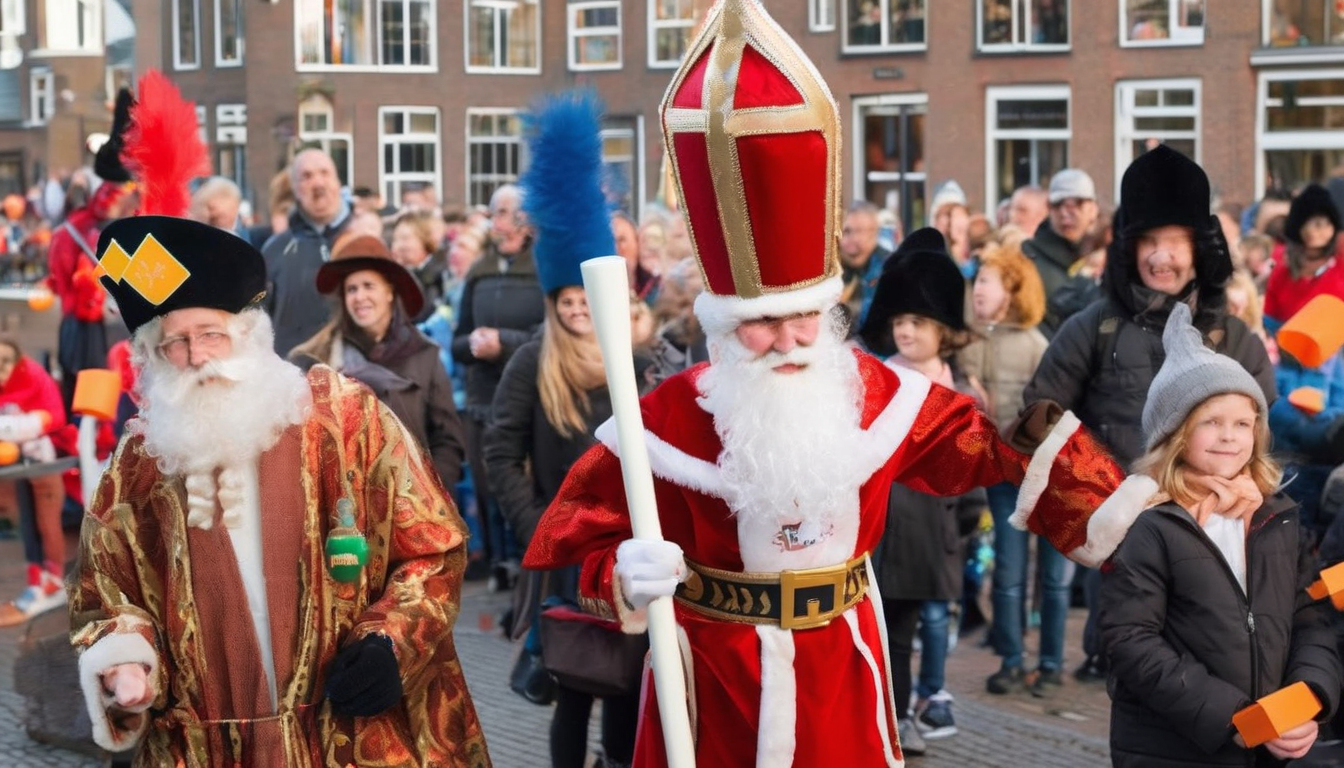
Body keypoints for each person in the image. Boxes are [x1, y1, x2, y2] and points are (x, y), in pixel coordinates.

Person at [521, 5, 1137, 765]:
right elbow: (578, 536)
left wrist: (1122, 513)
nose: (784, 338)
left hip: (843, 664)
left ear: (828, 308)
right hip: (713, 675)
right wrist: (617, 572)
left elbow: (991, 453)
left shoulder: (876, 394)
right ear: (721, 326)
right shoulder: (666, 419)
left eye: (802, 317)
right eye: (760, 322)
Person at [70, 88, 489, 760]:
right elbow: (108, 592)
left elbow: (432, 547)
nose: (196, 358)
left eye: (209, 334)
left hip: (345, 738)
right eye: (171, 345)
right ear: (148, 359)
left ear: (248, 332)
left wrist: (391, 639)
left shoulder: (345, 418)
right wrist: (126, 660)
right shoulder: (139, 465)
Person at [1024, 144, 1277, 685]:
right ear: (1129, 247)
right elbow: (1038, 416)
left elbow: (1266, 437)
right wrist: (1093, 491)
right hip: (1125, 537)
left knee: (1215, 665)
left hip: (1216, 535)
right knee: (1135, 667)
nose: (1161, 257)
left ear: (1199, 249)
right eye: (1149, 242)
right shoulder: (1093, 326)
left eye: (1176, 243)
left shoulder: (1233, 336)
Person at [1099, 303, 1342, 768]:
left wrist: (1308, 696)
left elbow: (1309, 619)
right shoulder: (1150, 523)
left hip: (1267, 747)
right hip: (1172, 748)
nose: (1229, 437)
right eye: (1210, 422)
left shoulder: (1279, 518)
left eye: (1242, 423)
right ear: (1174, 434)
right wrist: (1236, 718)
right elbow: (1131, 640)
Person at [485, 90, 643, 767]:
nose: (580, 310)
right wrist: (539, 528)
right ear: (555, 301)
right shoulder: (529, 362)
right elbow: (499, 454)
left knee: (631, 683)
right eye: (568, 300)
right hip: (566, 552)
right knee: (575, 685)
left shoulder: (634, 363)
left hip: (629, 549)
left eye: (588, 298)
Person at [858, 229, 988, 753]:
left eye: (917, 322)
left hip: (936, 532)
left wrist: (971, 527)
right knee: (892, 634)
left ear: (942, 330)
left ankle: (921, 703)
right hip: (885, 534)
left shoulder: (959, 395)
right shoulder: (876, 384)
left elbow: (972, 468)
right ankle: (890, 715)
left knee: (927, 622)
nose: (906, 331)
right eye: (899, 321)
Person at [957, 240, 1069, 697]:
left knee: (1053, 578)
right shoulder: (972, 341)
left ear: (1013, 289)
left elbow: (1053, 411)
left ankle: (1051, 662)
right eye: (977, 280)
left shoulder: (1036, 344)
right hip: (1003, 474)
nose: (977, 288)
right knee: (1007, 573)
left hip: (1046, 476)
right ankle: (1011, 659)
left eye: (987, 280)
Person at [289, 233, 466, 495]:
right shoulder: (318, 358)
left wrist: (430, 497)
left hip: (415, 505)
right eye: (352, 289)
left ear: (389, 292)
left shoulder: (424, 355)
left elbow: (447, 440)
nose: (359, 297)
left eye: (368, 286)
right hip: (345, 509)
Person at [451, 183, 546, 589]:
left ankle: (530, 559)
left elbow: (551, 338)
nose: (497, 223)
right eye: (493, 214)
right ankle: (498, 561)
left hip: (526, 396)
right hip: (481, 397)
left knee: (523, 483)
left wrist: (504, 343)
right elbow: (456, 340)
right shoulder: (479, 271)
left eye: (504, 213)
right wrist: (473, 345)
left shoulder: (543, 270)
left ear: (526, 222)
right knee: (487, 485)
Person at [49, 89, 137, 409]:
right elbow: (62, 277)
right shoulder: (78, 227)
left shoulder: (145, 218)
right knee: (95, 397)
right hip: (93, 325)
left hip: (126, 324)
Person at [0, 339, 75, 626]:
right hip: (16, 467)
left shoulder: (32, 376)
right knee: (28, 527)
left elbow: (52, 417)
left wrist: (18, 427)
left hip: (43, 461)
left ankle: (53, 583)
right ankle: (36, 582)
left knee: (47, 524)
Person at [263, 148, 352, 357]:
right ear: (295, 189)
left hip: (357, 374)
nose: (318, 183)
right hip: (295, 373)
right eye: (307, 176)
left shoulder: (367, 238)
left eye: (324, 173)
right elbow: (261, 319)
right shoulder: (275, 250)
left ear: (338, 182)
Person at [1023, 168, 1099, 335]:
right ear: (1048, 209)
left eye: (1077, 203)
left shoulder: (1110, 255)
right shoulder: (1029, 257)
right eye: (1057, 204)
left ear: (1093, 209)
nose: (1065, 212)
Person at [1263, 184, 1344, 327]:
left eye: (1325, 224)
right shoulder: (1282, 272)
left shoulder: (1340, 266)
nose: (1318, 231)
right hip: (1287, 342)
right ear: (1298, 227)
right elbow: (1269, 316)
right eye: (1313, 224)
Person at [838, 200, 890, 328]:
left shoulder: (890, 269)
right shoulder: (829, 271)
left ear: (875, 233)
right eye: (847, 232)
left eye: (860, 231)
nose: (853, 239)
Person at [390, 209, 449, 319]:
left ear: (425, 239)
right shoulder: (393, 276)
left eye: (405, 238)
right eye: (395, 240)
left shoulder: (442, 274)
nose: (399, 245)